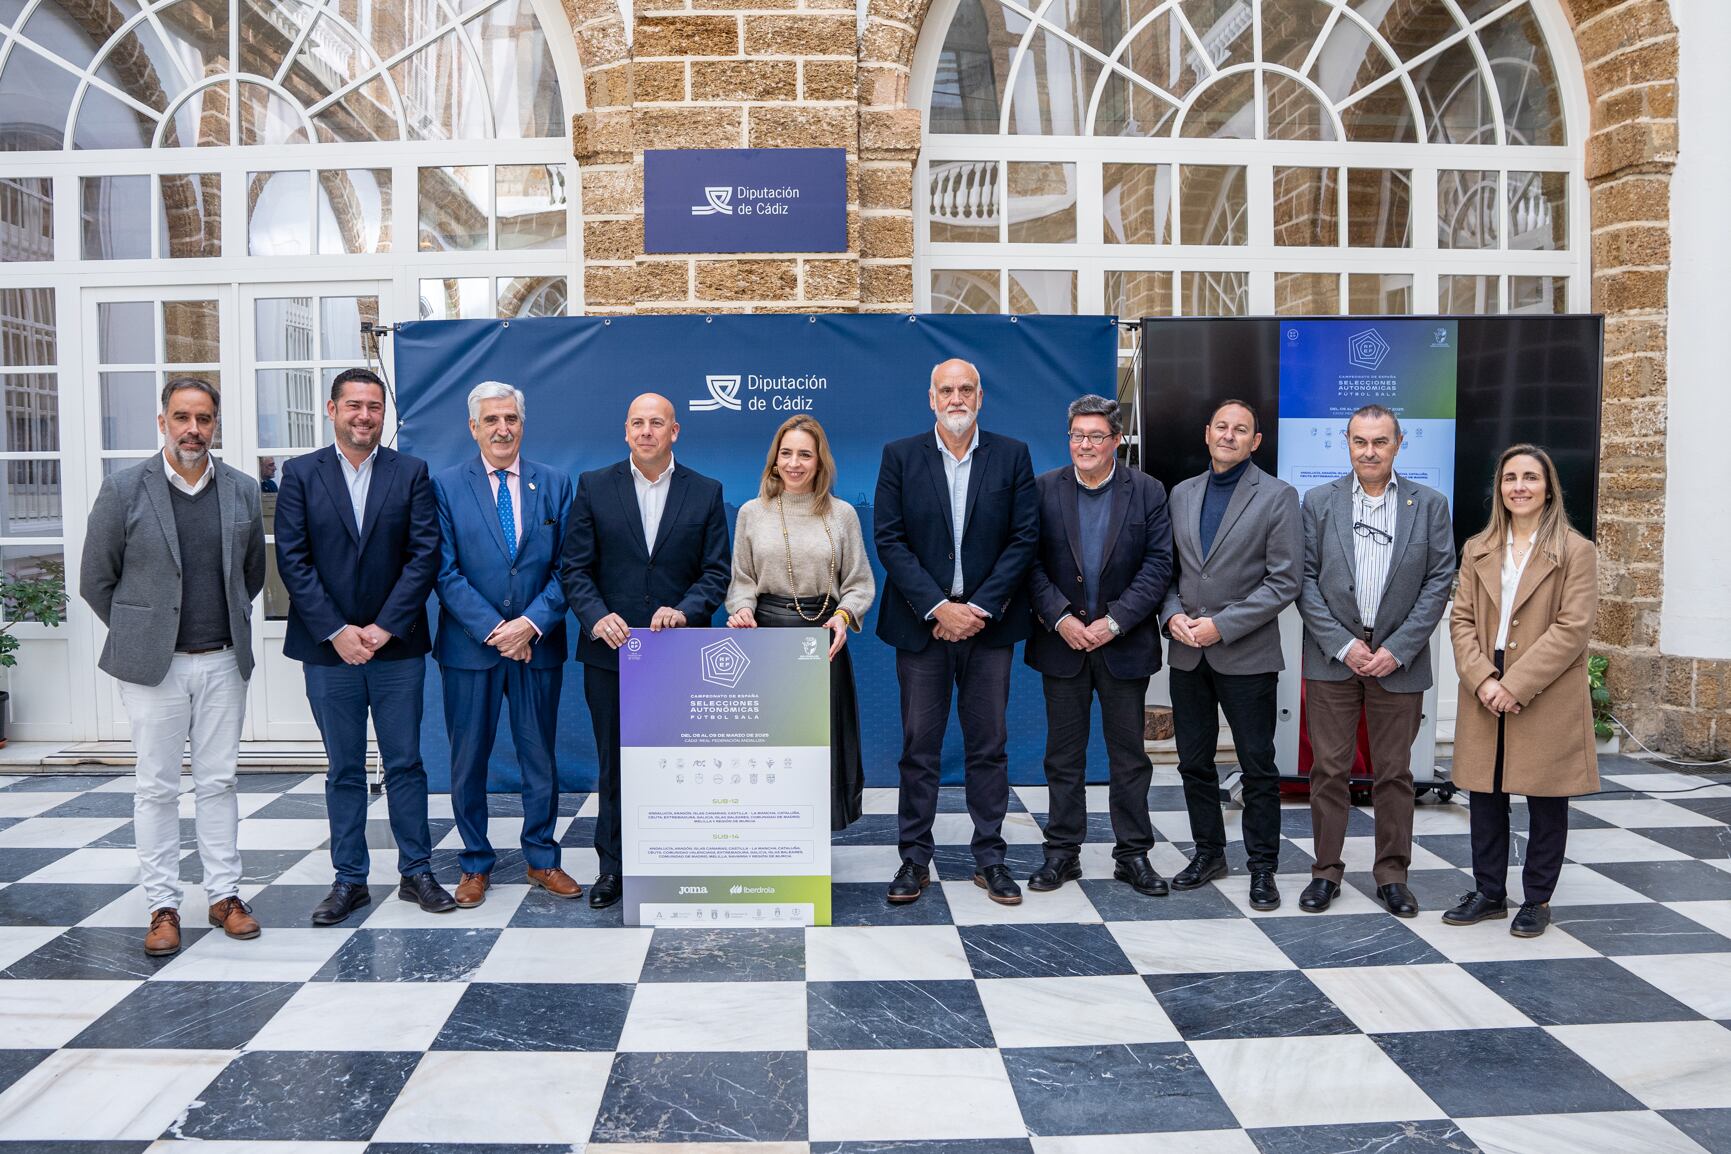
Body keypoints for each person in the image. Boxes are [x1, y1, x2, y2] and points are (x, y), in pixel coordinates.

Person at [79, 377, 266, 956]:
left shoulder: (240, 489)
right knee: (156, 788)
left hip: (222, 661)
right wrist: (145, 632)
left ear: (216, 425)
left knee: (219, 782)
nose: (193, 429)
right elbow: (95, 579)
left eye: (204, 419)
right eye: (182, 417)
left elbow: (252, 573)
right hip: (153, 669)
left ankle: (224, 895)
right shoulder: (123, 489)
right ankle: (162, 905)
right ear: (162, 421)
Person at [275, 367, 454, 925]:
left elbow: (423, 555)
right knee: (344, 769)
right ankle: (349, 879)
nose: (364, 416)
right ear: (332, 410)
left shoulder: (412, 472)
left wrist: (382, 628)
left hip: (395, 649)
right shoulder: (301, 474)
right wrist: (338, 631)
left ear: (385, 414)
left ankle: (416, 872)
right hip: (329, 652)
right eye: (353, 405)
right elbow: (293, 560)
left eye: (374, 407)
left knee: (406, 764)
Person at [875, 357, 1038, 906]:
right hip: (923, 628)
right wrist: (939, 607)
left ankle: (990, 857)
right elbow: (890, 540)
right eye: (946, 389)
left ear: (981, 397)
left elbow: (1024, 540)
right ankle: (913, 860)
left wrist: (980, 607)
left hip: (988, 629)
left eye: (966, 388)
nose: (956, 398)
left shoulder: (1011, 455)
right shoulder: (900, 456)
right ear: (931, 398)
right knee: (919, 748)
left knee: (988, 747)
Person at [559, 393, 731, 909]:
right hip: (611, 654)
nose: (647, 431)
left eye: (657, 423)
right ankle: (612, 867)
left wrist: (686, 608)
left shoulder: (705, 491)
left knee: (680, 764)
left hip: (679, 654)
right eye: (638, 422)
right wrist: (596, 616)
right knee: (617, 764)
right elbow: (576, 569)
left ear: (675, 431)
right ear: (626, 431)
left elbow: (716, 572)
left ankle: (680, 859)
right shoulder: (594, 486)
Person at [1295, 403, 1454, 917]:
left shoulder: (1429, 504)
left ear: (1398, 444)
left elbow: (1437, 583)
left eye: (1380, 441)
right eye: (1360, 441)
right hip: (1332, 658)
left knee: (1395, 774)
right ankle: (1325, 873)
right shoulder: (1318, 502)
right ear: (1347, 442)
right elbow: (1305, 582)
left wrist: (1396, 649)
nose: (1369, 451)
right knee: (1328, 770)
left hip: (1398, 662)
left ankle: (1392, 875)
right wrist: (1344, 645)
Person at [432, 382, 580, 908]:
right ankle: (475, 863)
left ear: (523, 423)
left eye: (511, 419)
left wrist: (530, 625)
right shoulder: (446, 487)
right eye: (491, 420)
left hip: (538, 645)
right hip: (471, 649)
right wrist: (498, 631)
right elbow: (444, 571)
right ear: (473, 427)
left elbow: (571, 568)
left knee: (539, 755)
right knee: (468, 759)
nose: (502, 428)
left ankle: (542, 857)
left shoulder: (555, 485)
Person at [1443, 445, 1599, 938]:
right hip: (1485, 677)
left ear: (1548, 487)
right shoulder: (1477, 547)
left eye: (1530, 477)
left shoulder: (1576, 550)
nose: (1519, 486)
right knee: (1485, 791)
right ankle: (1489, 892)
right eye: (1510, 477)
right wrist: (1483, 679)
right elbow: (1462, 619)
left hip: (1544, 682)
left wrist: (1515, 684)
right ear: (1499, 488)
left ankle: (1537, 899)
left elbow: (1573, 629)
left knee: (1545, 795)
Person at [1025, 395, 1172, 897]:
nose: (1085, 445)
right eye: (1077, 436)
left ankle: (1133, 855)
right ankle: (1062, 854)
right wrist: (1061, 618)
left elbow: (1158, 566)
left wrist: (1114, 623)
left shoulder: (1148, 491)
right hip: (1061, 644)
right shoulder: (1043, 489)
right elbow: (1030, 564)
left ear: (1116, 441)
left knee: (1129, 757)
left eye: (1096, 436)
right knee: (1062, 757)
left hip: (1123, 645)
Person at [1161, 400, 1301, 910]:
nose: (1229, 435)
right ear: (1206, 433)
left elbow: (1284, 580)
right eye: (1221, 426)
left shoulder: (1279, 496)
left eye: (1241, 429)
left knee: (1257, 765)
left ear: (1255, 441)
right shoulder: (1181, 494)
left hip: (1247, 655)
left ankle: (1262, 867)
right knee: (1194, 763)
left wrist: (1221, 626)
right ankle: (1208, 853)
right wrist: (1172, 616)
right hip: (1187, 653)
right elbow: (1168, 571)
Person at [726, 416, 874, 829]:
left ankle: (808, 853)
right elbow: (741, 581)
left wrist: (844, 616)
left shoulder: (842, 515)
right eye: (786, 453)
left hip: (822, 644)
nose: (794, 463)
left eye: (804, 454)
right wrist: (741, 609)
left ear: (819, 461)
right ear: (774, 461)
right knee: (771, 751)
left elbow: (859, 584)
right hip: (766, 641)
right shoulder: (751, 513)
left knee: (819, 751)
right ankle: (769, 843)